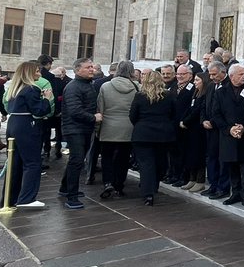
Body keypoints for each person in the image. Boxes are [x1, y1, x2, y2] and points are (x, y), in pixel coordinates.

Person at [4, 60, 55, 209]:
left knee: (16, 163)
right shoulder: (31, 89)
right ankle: (27, 198)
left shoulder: (15, 89)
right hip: (27, 125)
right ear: (30, 73)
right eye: (37, 71)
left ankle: (11, 197)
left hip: (14, 124)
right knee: (32, 163)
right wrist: (47, 99)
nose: (40, 73)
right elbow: (39, 110)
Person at [130, 70, 178, 205]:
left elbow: (133, 115)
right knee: (160, 162)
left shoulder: (139, 96)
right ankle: (154, 186)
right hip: (163, 134)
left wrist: (141, 125)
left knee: (146, 164)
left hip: (143, 134)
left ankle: (148, 193)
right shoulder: (169, 95)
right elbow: (174, 114)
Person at [211, 64, 244, 209]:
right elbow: (216, 114)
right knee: (232, 167)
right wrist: (229, 129)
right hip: (228, 136)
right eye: (241, 74)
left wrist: (243, 127)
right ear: (231, 76)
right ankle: (235, 193)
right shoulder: (221, 92)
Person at [58, 58, 101, 210]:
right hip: (74, 129)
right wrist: (93, 117)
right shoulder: (73, 87)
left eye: (92, 67)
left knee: (76, 160)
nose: (92, 69)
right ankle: (72, 197)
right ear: (77, 70)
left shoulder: (87, 85)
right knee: (77, 161)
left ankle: (65, 188)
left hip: (83, 128)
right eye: (88, 67)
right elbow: (75, 110)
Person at [96, 61, 138, 199]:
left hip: (108, 126)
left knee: (106, 157)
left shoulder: (106, 86)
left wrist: (98, 128)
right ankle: (119, 185)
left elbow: (100, 108)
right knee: (123, 158)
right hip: (128, 127)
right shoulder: (137, 87)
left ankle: (108, 182)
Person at [200, 61, 231, 199]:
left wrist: (214, 121)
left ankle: (222, 188)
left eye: (214, 74)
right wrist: (204, 120)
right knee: (211, 158)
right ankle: (213, 185)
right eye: (210, 74)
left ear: (223, 72)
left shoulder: (229, 86)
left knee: (222, 160)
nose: (211, 77)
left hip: (222, 129)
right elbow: (204, 105)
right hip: (210, 129)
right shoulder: (211, 86)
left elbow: (225, 110)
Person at [177, 68, 209, 191]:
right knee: (190, 155)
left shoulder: (204, 94)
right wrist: (183, 119)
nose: (195, 82)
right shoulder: (195, 93)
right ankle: (192, 178)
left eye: (197, 80)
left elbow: (197, 111)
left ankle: (199, 180)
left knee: (198, 155)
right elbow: (190, 108)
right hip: (190, 129)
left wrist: (185, 121)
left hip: (198, 129)